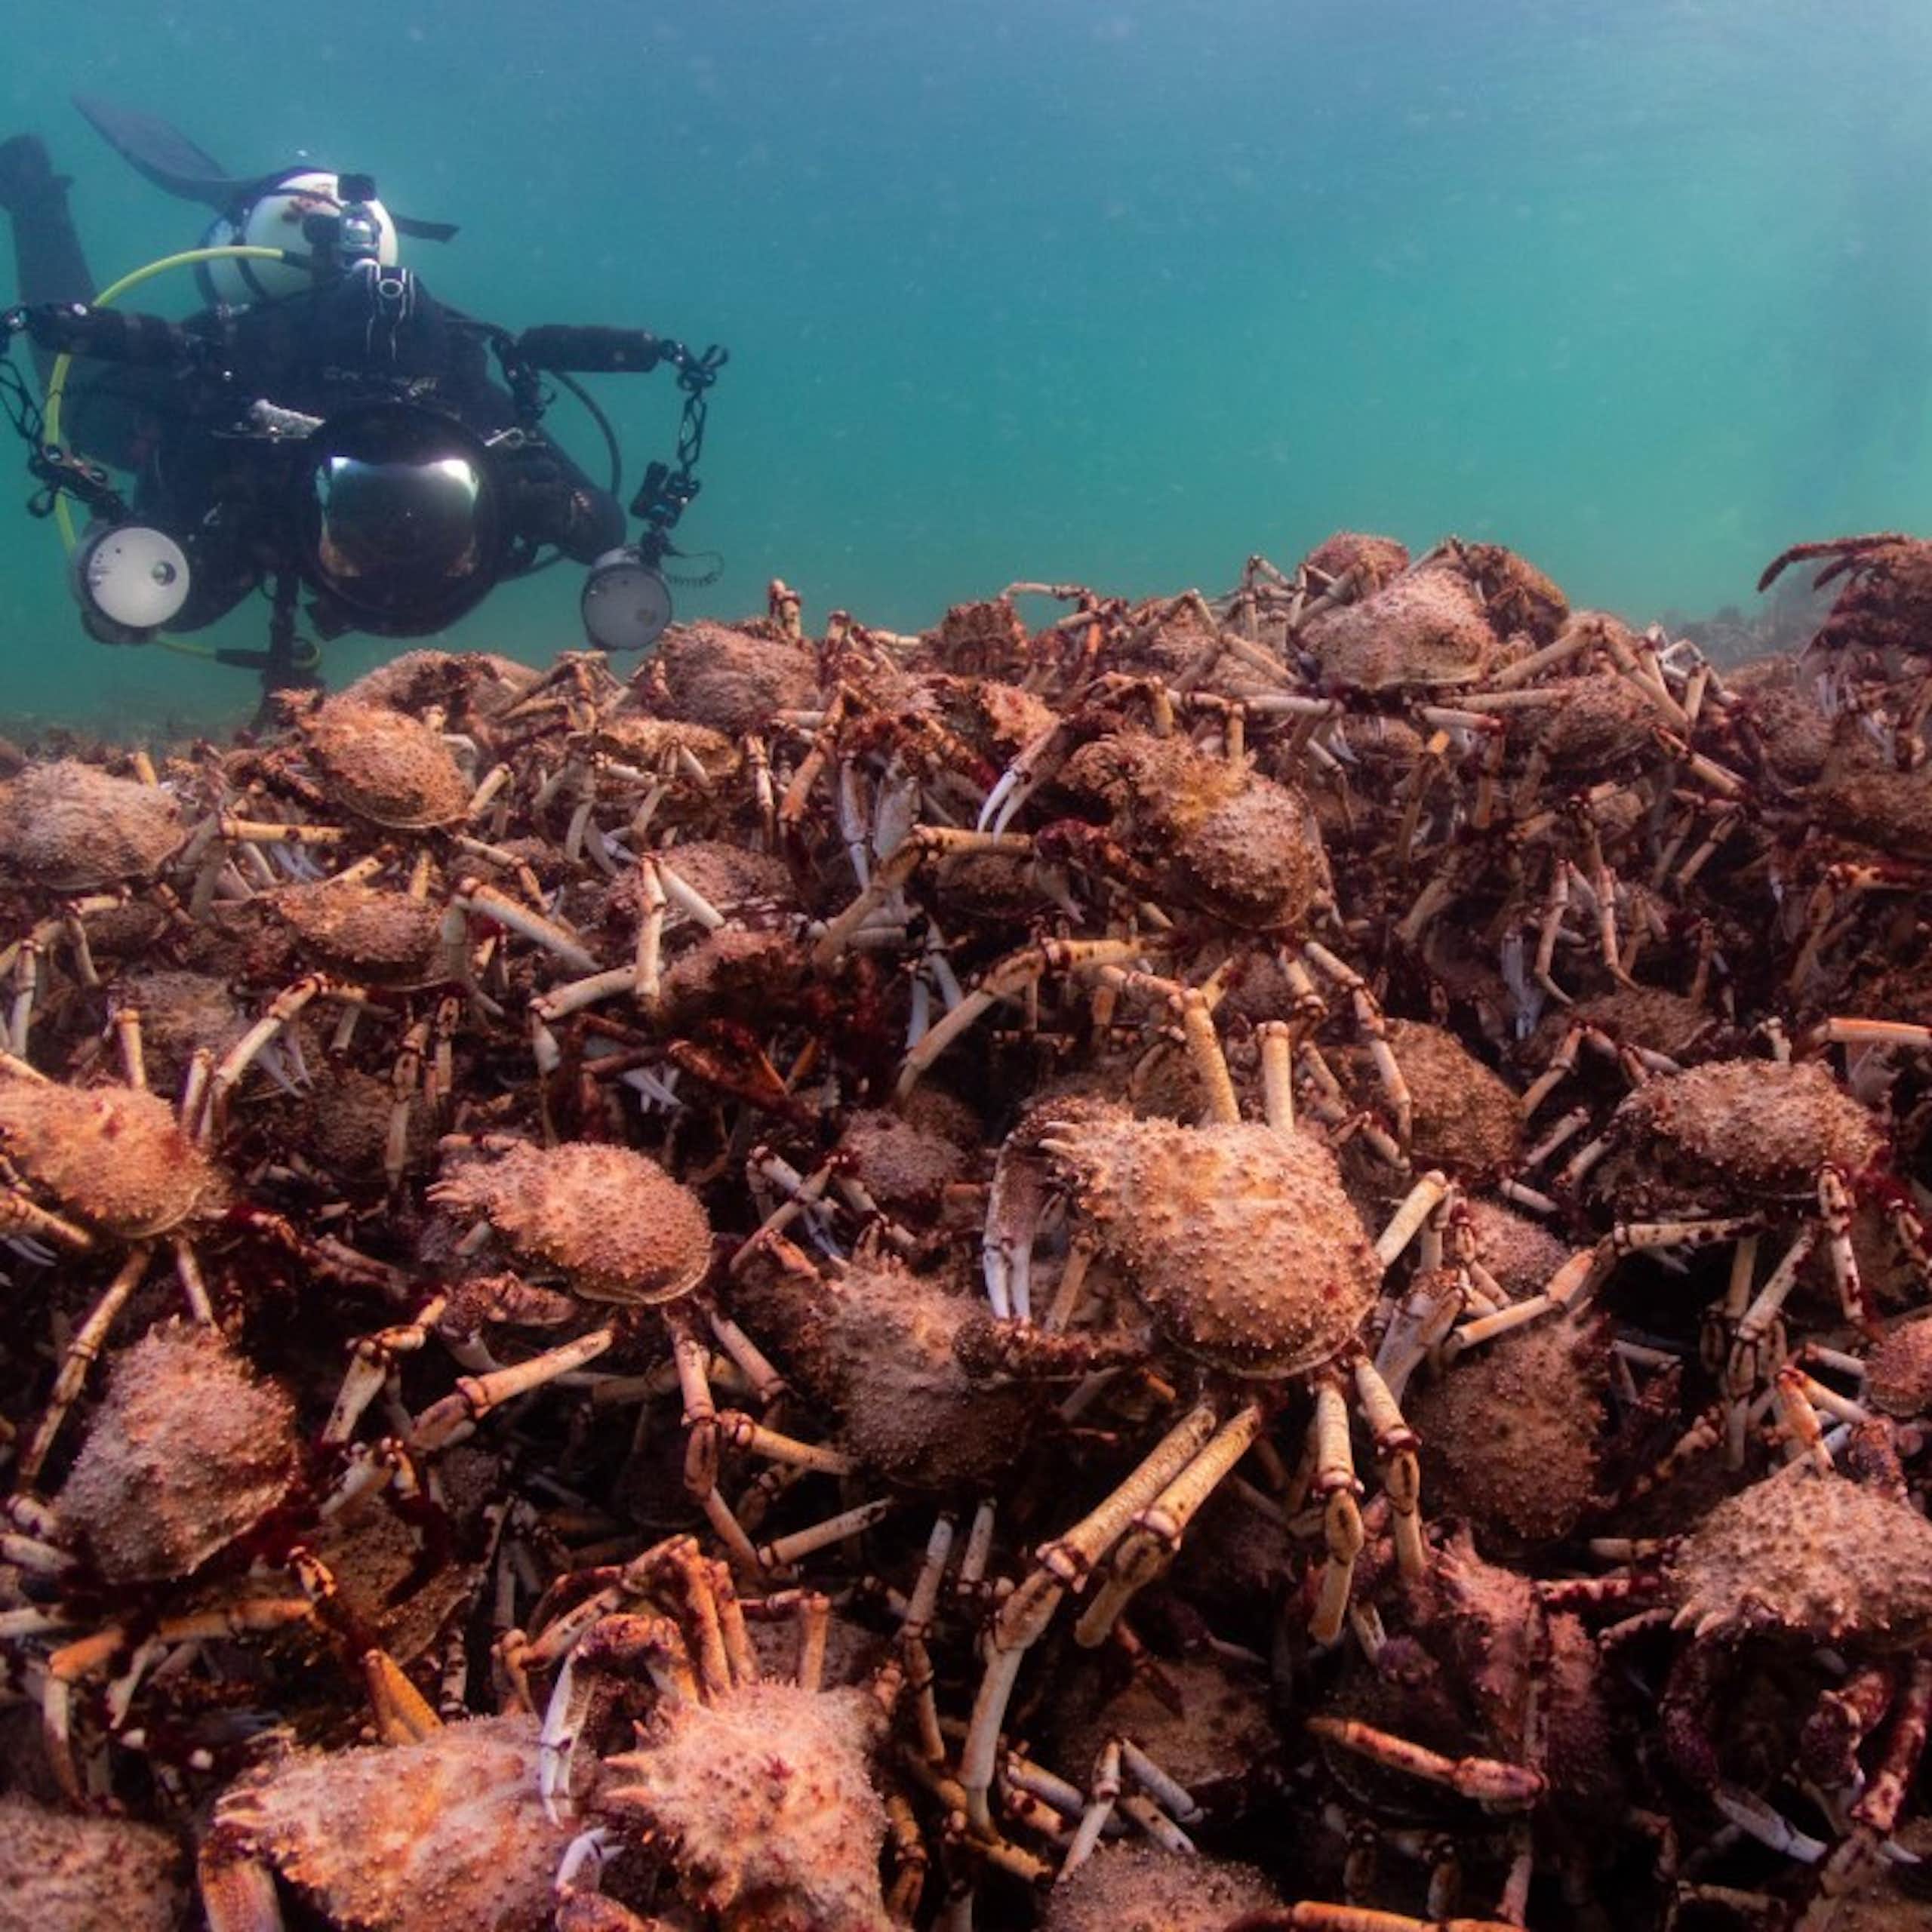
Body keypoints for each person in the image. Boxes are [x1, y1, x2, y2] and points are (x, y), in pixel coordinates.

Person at [0, 100, 633, 665]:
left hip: (256, 514)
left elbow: (597, 527)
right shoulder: (416, 371)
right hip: (256, 502)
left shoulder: (435, 371)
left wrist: (556, 509)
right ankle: (34, 198)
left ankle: (33, 198)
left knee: (92, 415)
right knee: (96, 423)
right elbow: (600, 526)